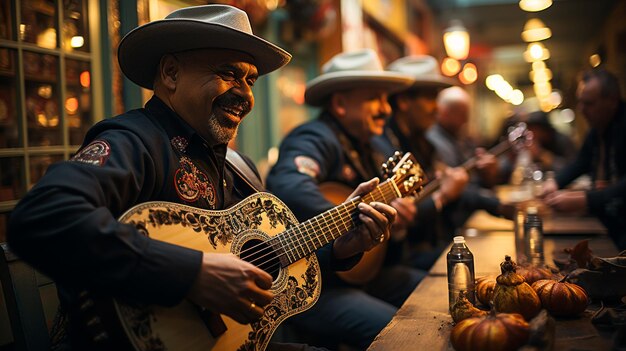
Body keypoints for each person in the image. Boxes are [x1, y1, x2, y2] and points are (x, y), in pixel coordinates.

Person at [6, 6, 397, 350]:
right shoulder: (136, 142)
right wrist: (191, 273)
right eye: (229, 74)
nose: (245, 95)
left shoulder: (238, 166)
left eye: (251, 80)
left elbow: (261, 257)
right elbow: (43, 216)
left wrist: (340, 248)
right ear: (171, 73)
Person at [266, 49, 424, 350]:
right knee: (406, 339)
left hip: (357, 275)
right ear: (339, 104)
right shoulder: (314, 137)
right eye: (374, 98)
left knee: (435, 290)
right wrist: (349, 221)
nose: (385, 109)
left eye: (386, 99)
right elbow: (289, 184)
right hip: (314, 284)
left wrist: (393, 222)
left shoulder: (371, 145)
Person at [377, 55, 511, 270]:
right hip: (405, 260)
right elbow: (403, 219)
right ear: (403, 102)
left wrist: (497, 204)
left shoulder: (422, 142)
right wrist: (443, 196)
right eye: (430, 98)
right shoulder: (384, 147)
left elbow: (444, 186)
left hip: (432, 245)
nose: (437, 108)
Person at [542, 68, 626, 250]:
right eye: (580, 103)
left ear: (612, 100)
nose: (581, 109)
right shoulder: (599, 127)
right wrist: (555, 182)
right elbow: (581, 162)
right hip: (610, 219)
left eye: (589, 103)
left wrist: (586, 199)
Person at [427, 85, 500, 188]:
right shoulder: (433, 140)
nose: (465, 120)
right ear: (444, 112)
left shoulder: (459, 137)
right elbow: (455, 185)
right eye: (461, 114)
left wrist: (488, 173)